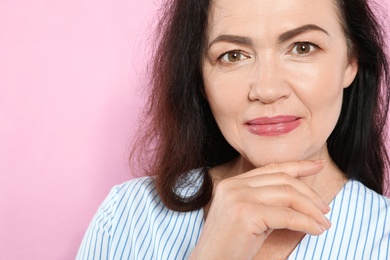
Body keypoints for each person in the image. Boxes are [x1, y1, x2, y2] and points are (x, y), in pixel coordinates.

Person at [77, 0, 390, 259]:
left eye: (303, 47)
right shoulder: (127, 217)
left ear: (350, 62)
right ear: (200, 79)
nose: (267, 89)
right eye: (234, 55)